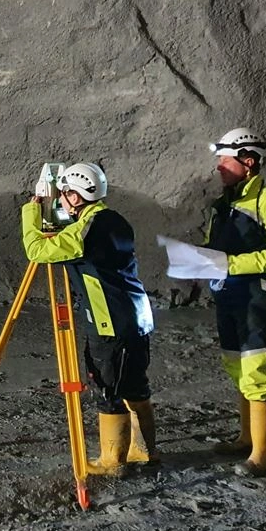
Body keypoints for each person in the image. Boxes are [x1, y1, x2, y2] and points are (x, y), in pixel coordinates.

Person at [21, 163, 156, 476]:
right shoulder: (112, 219)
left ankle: (113, 461)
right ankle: (145, 451)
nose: (61, 199)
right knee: (135, 385)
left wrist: (32, 211)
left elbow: (37, 249)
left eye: (65, 193)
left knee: (108, 389)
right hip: (136, 316)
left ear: (76, 196)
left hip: (109, 322)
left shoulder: (86, 230)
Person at [204, 129, 266, 477]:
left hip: (255, 298)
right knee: (237, 366)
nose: (218, 168)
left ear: (248, 161)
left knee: (256, 371)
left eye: (224, 161)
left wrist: (231, 264)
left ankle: (264, 454)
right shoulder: (222, 206)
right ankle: (247, 438)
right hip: (227, 296)